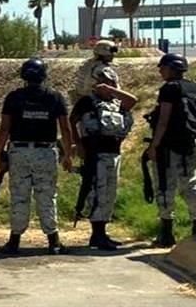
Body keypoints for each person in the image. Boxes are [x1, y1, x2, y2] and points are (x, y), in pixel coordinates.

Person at [0, 58, 73, 255]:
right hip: (46, 152)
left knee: (19, 196)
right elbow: (65, 127)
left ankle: (14, 242)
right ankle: (53, 241)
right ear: (43, 75)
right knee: (46, 195)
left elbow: (5, 128)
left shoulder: (13, 97)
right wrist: (68, 154)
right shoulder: (54, 97)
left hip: (19, 151)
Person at [70, 44, 138, 250]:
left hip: (113, 152)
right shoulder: (87, 102)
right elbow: (71, 120)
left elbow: (132, 100)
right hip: (95, 153)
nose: (112, 82)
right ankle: (97, 234)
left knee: (109, 193)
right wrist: (77, 143)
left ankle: (102, 233)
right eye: (108, 81)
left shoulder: (117, 103)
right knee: (97, 192)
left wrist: (112, 90)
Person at [145, 53, 196, 247]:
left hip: (169, 147)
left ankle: (166, 234)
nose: (160, 71)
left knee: (164, 187)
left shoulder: (169, 89)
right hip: (190, 144)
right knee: (191, 184)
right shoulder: (195, 88)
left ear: (172, 68)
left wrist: (154, 146)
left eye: (163, 67)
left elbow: (163, 120)